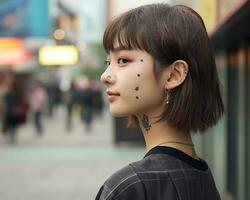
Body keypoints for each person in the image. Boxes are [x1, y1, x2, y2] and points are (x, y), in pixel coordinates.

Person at [95, 3, 224, 200]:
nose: (105, 76)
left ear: (174, 75)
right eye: (108, 62)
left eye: (122, 60)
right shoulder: (204, 179)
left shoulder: (130, 187)